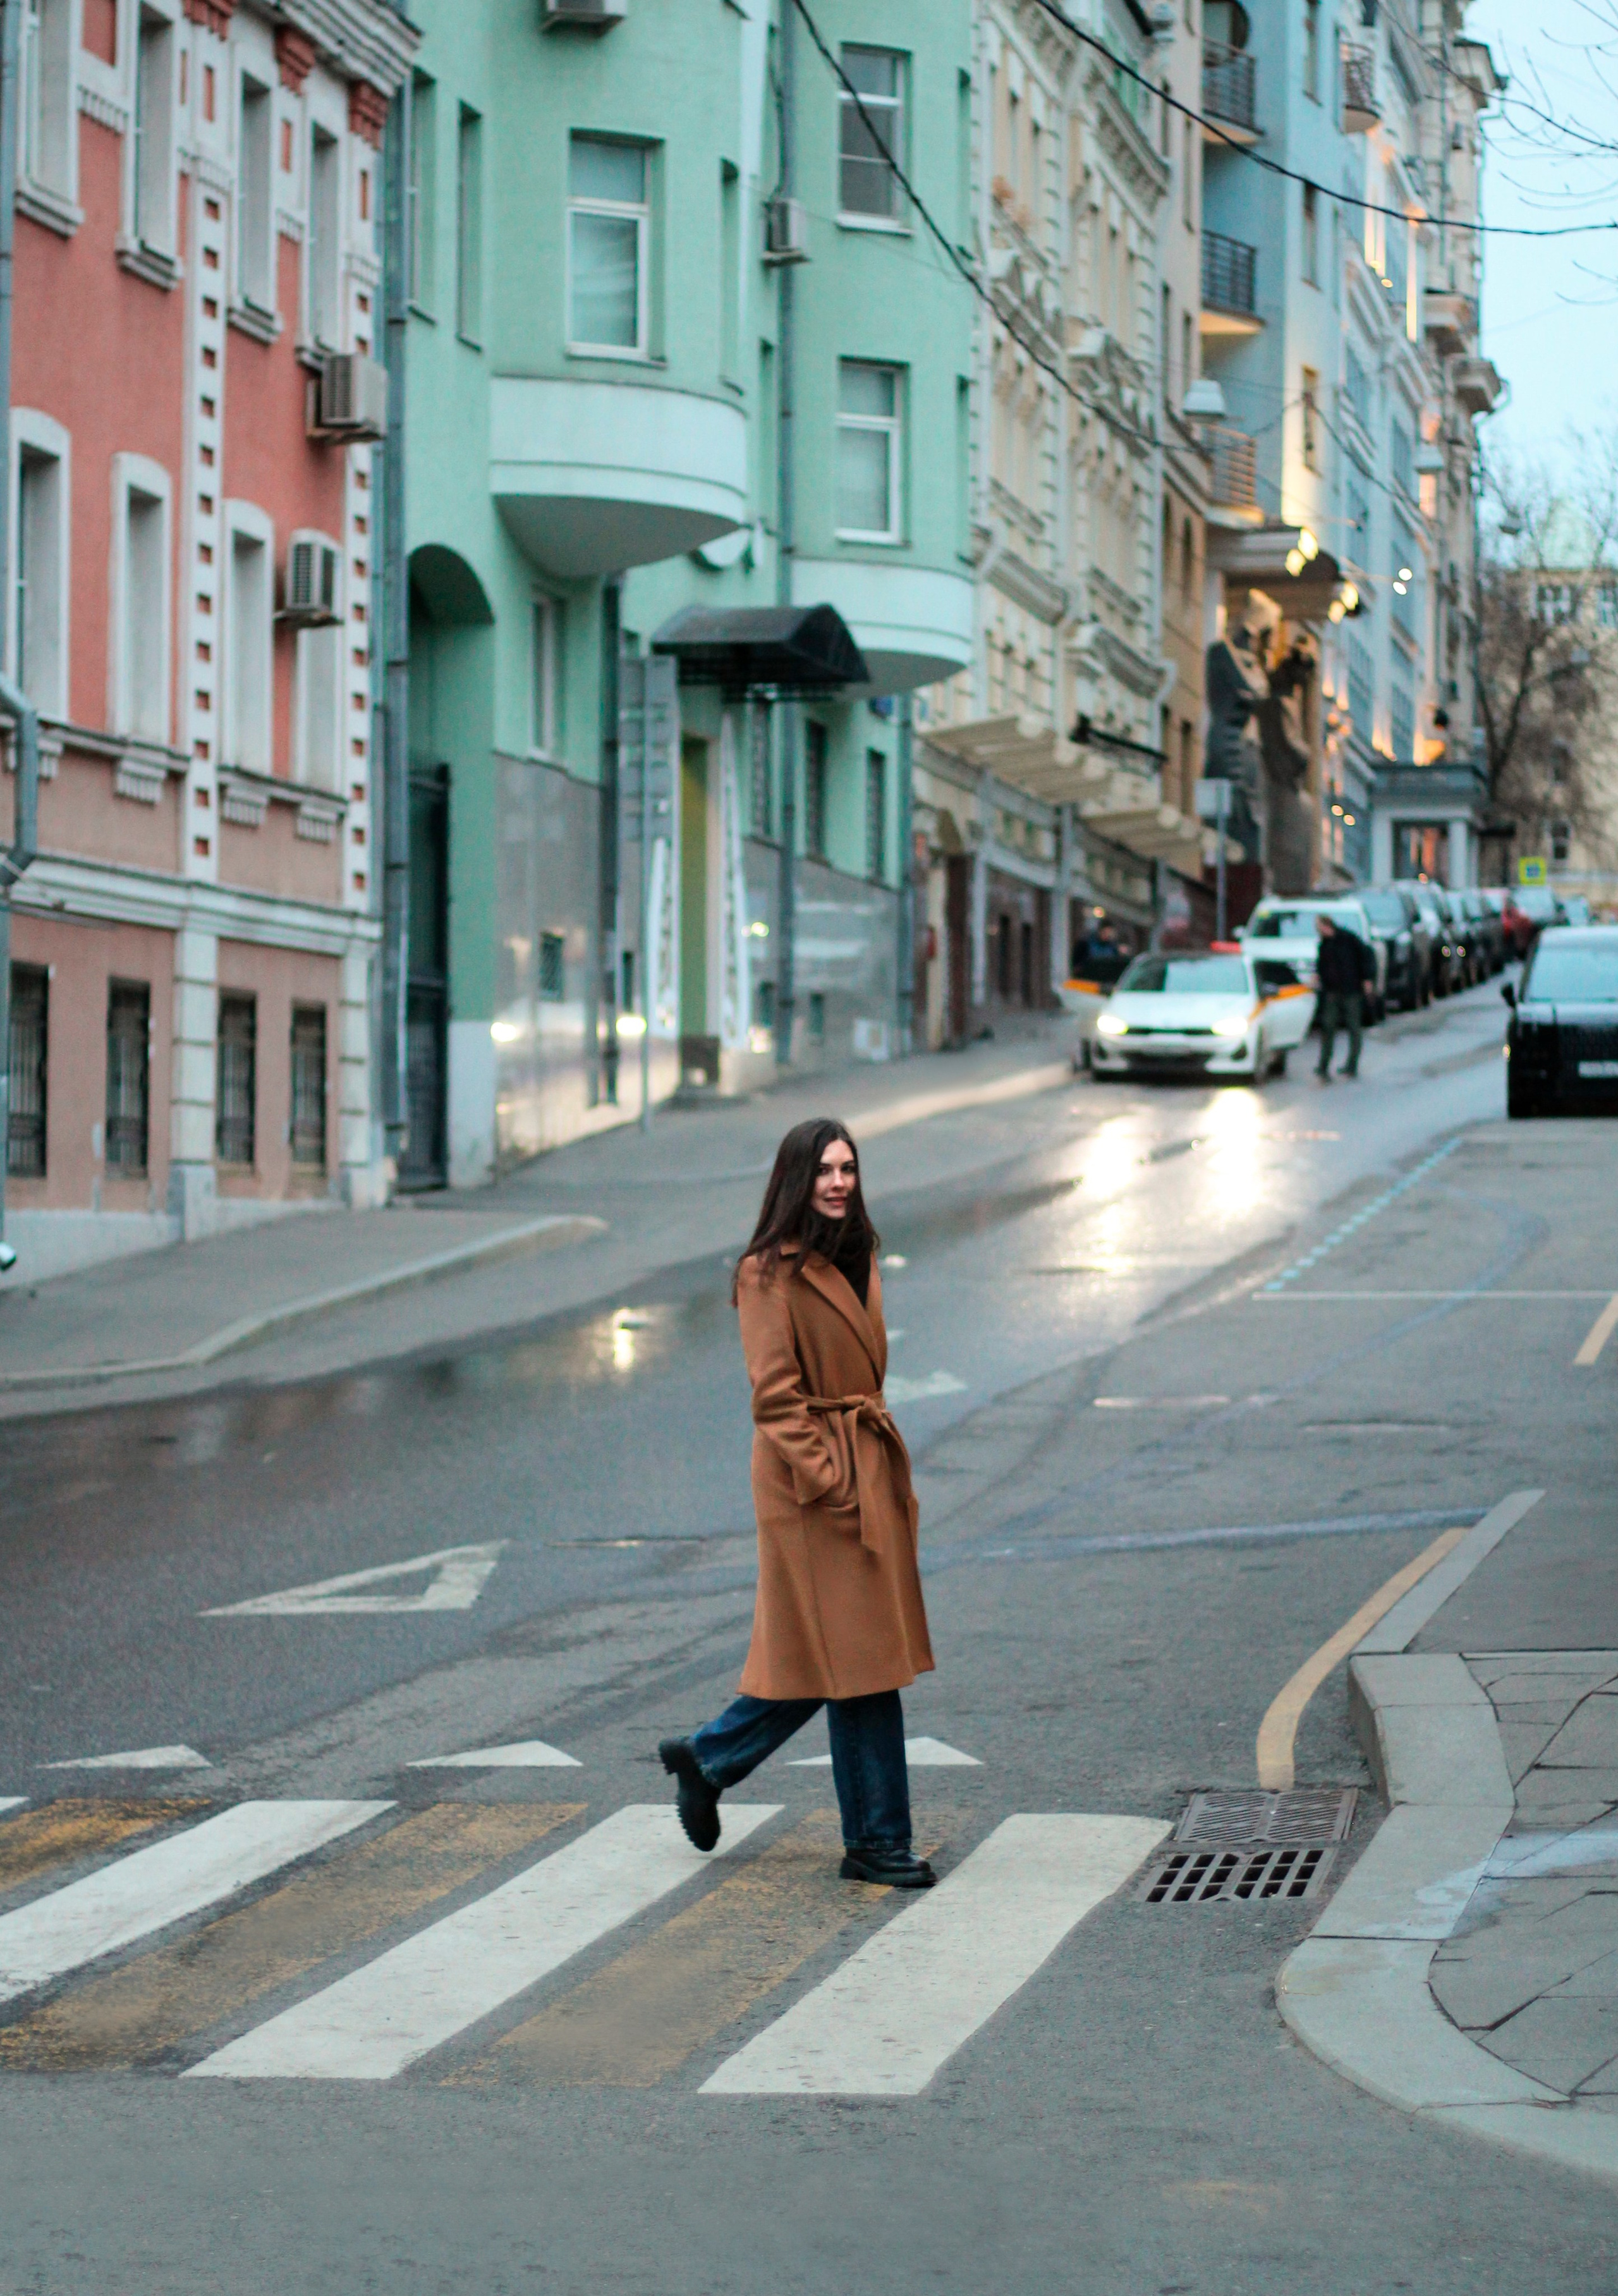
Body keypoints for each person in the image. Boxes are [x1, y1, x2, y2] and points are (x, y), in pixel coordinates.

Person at [659, 1118, 937, 1888]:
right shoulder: (766, 1272)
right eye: (824, 1170)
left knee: (846, 1655)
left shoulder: (861, 1252)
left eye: (848, 1167)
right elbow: (775, 1398)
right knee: (862, 1659)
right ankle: (875, 1839)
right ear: (796, 1179)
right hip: (809, 1481)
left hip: (861, 1460)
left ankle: (710, 1758)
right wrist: (831, 1480)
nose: (840, 1181)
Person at [1313, 911, 1375, 1079]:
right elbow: (1322, 966)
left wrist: (1367, 979)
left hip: (1351, 990)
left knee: (1354, 1026)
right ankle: (1323, 1066)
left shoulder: (1348, 939)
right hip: (1332, 991)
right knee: (1328, 1026)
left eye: (1319, 926)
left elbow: (1366, 956)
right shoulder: (1324, 945)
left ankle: (1352, 1064)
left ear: (1327, 926)